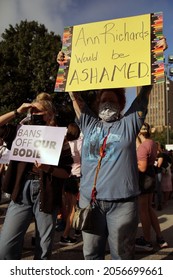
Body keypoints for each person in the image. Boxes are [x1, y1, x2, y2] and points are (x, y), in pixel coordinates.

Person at [57, 37, 167, 260]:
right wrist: (64, 65)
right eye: (103, 101)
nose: (107, 104)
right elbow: (74, 95)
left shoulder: (129, 123)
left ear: (121, 105)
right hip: (91, 202)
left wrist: (157, 54)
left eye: (112, 101)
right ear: (97, 105)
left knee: (121, 258)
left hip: (123, 204)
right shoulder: (88, 123)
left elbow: (145, 91)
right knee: (91, 255)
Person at [0, 98, 73, 259]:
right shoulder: (21, 132)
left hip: (46, 193)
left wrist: (48, 169)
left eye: (39, 111)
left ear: (50, 114)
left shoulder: (59, 137)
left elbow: (67, 171)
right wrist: (17, 111)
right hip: (21, 191)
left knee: (43, 249)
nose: (35, 114)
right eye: (32, 111)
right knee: (5, 248)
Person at [135, 123, 168, 251]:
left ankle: (147, 240)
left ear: (139, 132)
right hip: (151, 175)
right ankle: (159, 237)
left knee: (143, 210)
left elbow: (141, 167)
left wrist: (132, 164)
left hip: (144, 178)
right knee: (149, 209)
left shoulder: (144, 146)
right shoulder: (152, 143)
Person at [59, 123, 83, 245]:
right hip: (76, 177)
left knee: (69, 207)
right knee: (74, 207)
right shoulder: (79, 143)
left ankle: (75, 229)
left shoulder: (64, 143)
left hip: (66, 176)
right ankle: (65, 235)